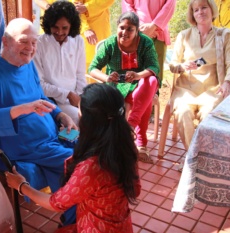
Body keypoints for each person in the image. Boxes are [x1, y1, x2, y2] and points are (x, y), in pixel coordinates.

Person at [0, 17, 77, 226]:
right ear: (5, 41)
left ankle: (74, 216)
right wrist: (23, 109)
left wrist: (60, 115)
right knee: (78, 162)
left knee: (87, 144)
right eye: (24, 41)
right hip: (26, 145)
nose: (31, 48)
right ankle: (74, 220)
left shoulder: (28, 65)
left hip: (52, 134)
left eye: (34, 42)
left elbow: (40, 96)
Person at [5, 83, 141, 233]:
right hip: (121, 226)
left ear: (90, 122)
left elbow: (55, 203)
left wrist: (21, 185)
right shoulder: (127, 146)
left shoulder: (91, 167)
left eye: (80, 112)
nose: (78, 115)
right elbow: (135, 190)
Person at [88, 11, 160, 164]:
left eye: (130, 29)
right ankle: (141, 142)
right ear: (117, 27)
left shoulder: (145, 42)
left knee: (150, 82)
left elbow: (154, 66)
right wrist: (107, 77)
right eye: (122, 28)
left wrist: (138, 75)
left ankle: (130, 125)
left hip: (139, 85)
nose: (125, 33)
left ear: (137, 30)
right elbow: (93, 68)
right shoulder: (110, 44)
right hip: (116, 87)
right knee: (145, 101)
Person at [169, 0, 230, 151]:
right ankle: (193, 158)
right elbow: (173, 64)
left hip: (213, 89)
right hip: (185, 89)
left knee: (209, 115)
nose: (200, 12)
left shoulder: (225, 35)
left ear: (212, 10)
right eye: (196, 10)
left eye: (204, 7)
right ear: (192, 14)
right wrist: (182, 66)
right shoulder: (184, 35)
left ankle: (201, 156)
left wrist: (227, 82)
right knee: (183, 112)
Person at [34, 1, 87, 125]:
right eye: (55, 27)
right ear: (48, 25)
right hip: (51, 100)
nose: (59, 32)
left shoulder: (78, 40)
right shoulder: (39, 43)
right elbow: (39, 84)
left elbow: (80, 75)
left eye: (64, 28)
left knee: (102, 115)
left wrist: (80, 99)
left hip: (76, 98)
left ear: (71, 26)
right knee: (81, 119)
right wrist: (67, 94)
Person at [122, 0, 176, 81]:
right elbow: (127, 4)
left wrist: (154, 26)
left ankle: (155, 93)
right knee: (134, 73)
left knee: (155, 74)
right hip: (136, 32)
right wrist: (138, 25)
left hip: (159, 33)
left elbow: (170, 4)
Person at [69, 0, 115, 69]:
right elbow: (75, 7)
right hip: (82, 29)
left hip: (101, 25)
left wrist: (87, 7)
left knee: (102, 58)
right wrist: (85, 29)